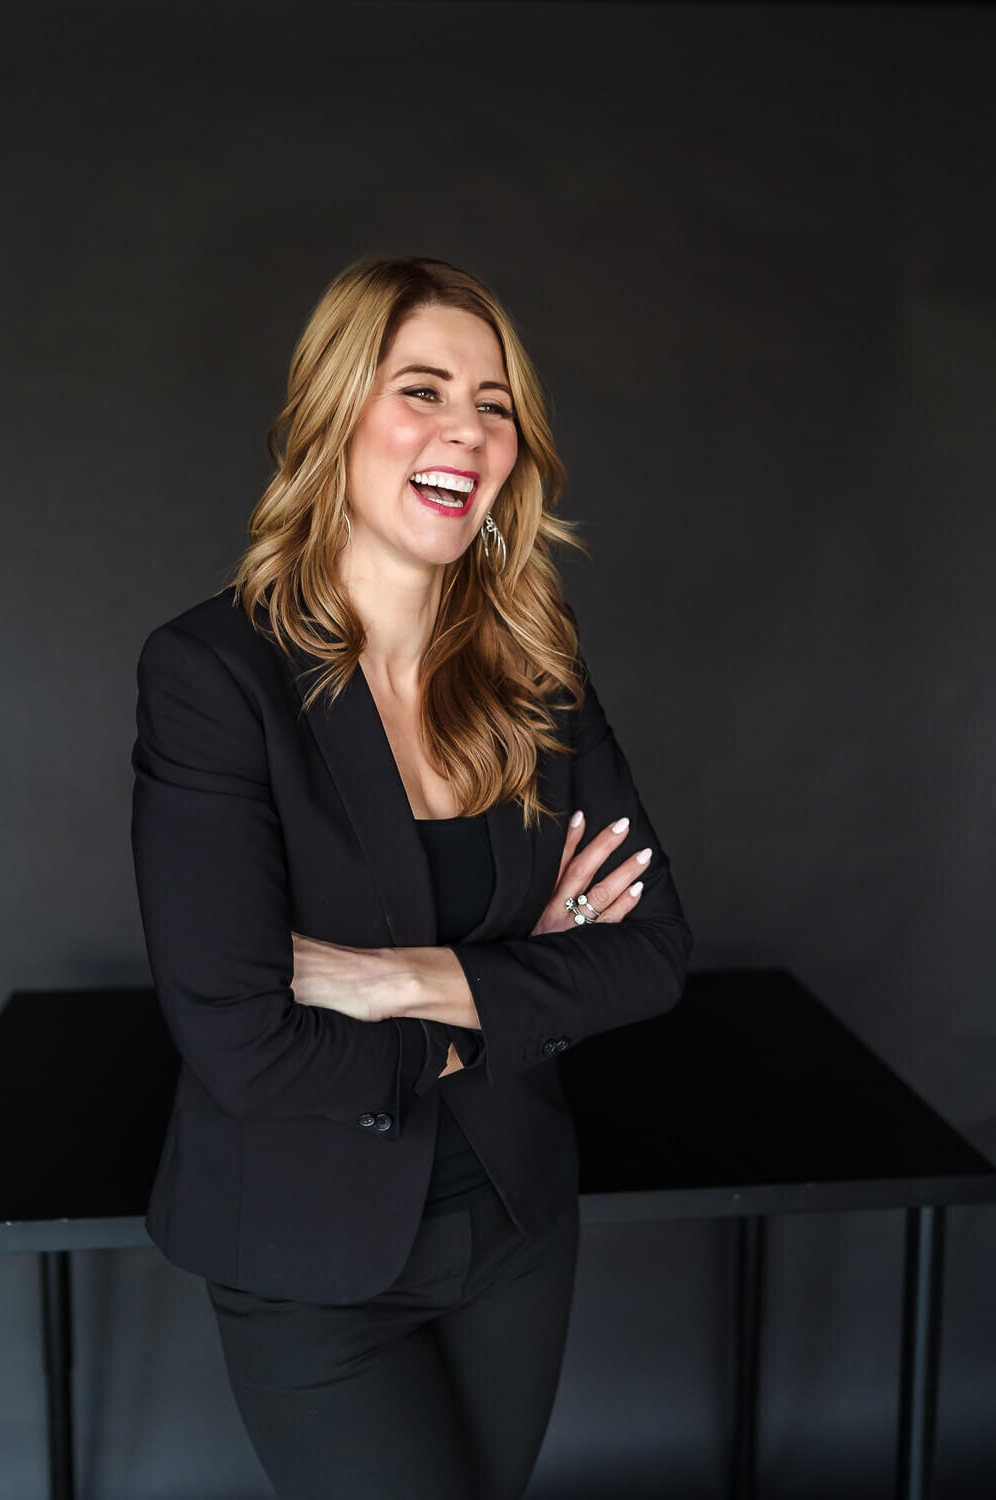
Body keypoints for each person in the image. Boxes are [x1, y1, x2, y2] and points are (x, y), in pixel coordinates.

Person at [130, 255, 692, 1500]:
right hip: (310, 1265)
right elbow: (243, 1043)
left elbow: (650, 955)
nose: (468, 431)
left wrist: (394, 982)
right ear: (335, 415)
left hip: (514, 1231)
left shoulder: (532, 665)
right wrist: (515, 990)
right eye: (423, 390)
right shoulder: (216, 676)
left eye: (494, 402)